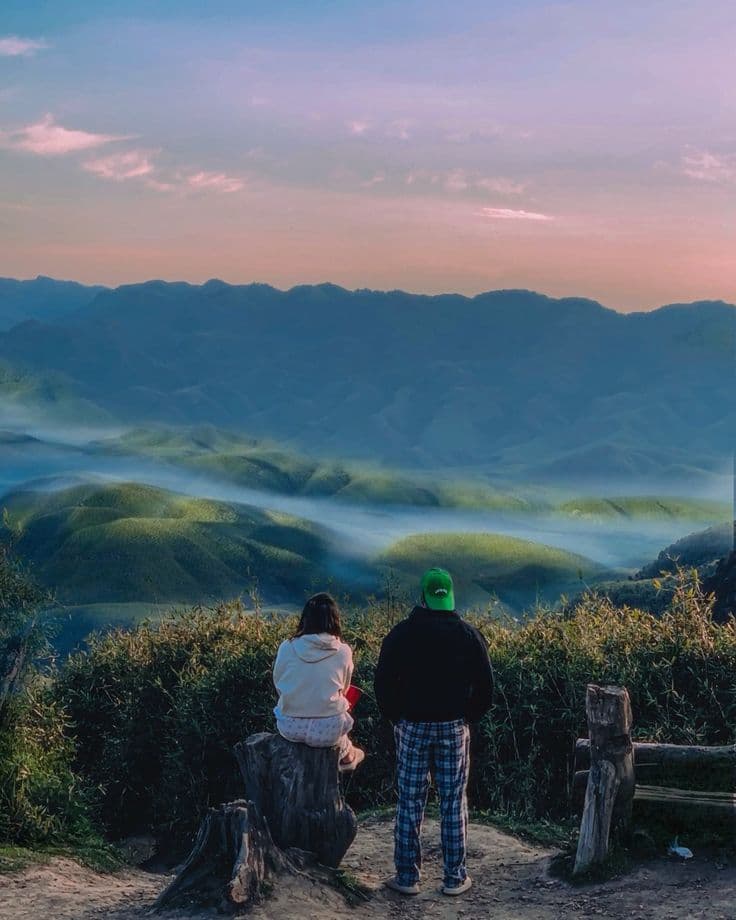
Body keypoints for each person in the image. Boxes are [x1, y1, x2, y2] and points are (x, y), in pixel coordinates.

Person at [374, 567, 493, 896]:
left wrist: (396, 716)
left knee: (410, 801)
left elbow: (382, 683)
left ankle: (407, 877)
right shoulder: (469, 635)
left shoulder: (401, 634)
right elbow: (486, 688)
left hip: (411, 725)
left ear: (423, 597)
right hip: (453, 726)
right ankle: (455, 878)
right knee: (453, 800)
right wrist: (467, 716)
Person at [273, 592, 365, 771]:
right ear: (334, 620)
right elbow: (344, 688)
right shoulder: (343, 651)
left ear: (305, 619)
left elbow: (279, 683)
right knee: (349, 742)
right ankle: (348, 756)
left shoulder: (286, 647)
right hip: (328, 729)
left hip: (290, 727)